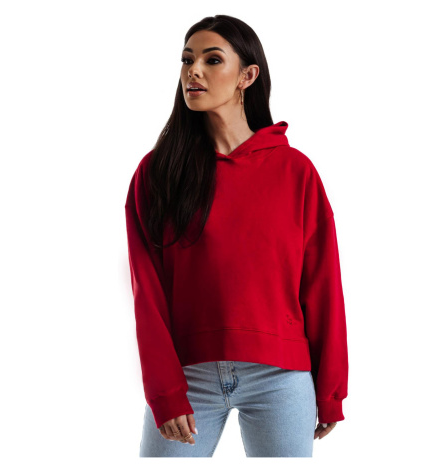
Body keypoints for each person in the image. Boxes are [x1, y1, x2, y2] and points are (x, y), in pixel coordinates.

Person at [124, 14, 348, 458]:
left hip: (280, 376)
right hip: (189, 376)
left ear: (247, 76)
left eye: (212, 60)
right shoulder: (159, 172)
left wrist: (331, 390)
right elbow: (146, 290)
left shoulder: (295, 171)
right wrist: (165, 390)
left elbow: (322, 284)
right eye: (187, 60)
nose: (194, 71)